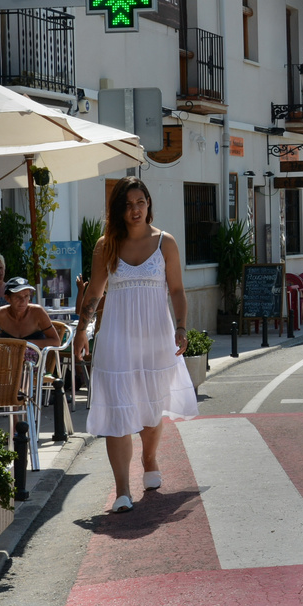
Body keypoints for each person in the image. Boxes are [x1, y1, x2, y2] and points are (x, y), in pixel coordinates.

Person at [75, 177, 197, 513]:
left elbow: (177, 290)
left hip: (155, 337)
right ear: (118, 209)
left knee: (150, 409)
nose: (135, 210)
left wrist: (182, 326)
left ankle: (149, 456)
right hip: (116, 337)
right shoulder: (106, 246)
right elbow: (95, 293)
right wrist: (81, 331)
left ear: (149, 204)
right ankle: (122, 490)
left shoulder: (165, 243)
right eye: (128, 204)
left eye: (140, 202)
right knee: (118, 412)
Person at [0, 278, 61, 350]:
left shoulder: (38, 312)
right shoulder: (0, 314)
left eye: (26, 296)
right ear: (7, 298)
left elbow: (56, 341)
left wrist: (27, 344)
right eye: (18, 297)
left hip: (36, 361)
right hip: (7, 361)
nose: (23, 301)